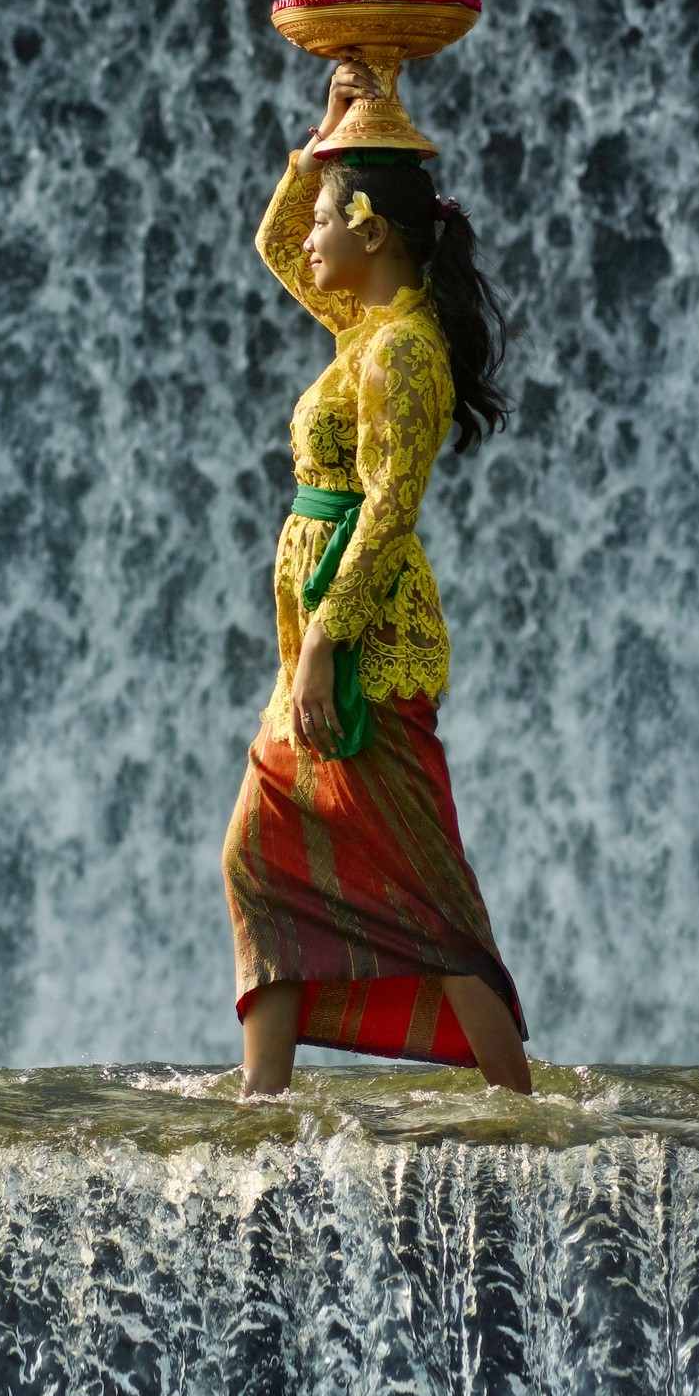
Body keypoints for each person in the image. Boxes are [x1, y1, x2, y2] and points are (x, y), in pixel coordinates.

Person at [218, 65, 530, 1095]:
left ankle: (513, 1093)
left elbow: (392, 507)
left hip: (364, 638)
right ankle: (262, 1096)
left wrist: (323, 640)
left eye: (325, 216)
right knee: (263, 856)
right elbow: (272, 244)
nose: (307, 236)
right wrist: (324, 136)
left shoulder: (402, 352)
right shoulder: (365, 329)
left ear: (375, 230)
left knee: (422, 883)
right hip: (318, 634)